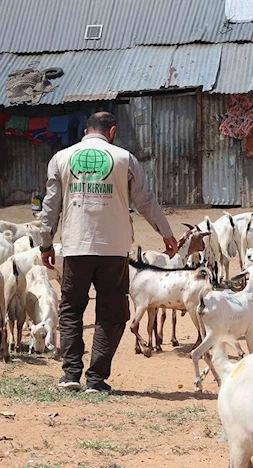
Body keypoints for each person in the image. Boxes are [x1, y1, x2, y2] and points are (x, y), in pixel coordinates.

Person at [40, 111, 177, 394]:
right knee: (112, 313)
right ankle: (96, 379)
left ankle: (70, 374)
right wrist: (166, 233)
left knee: (71, 309)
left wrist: (45, 243)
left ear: (85, 131)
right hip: (114, 249)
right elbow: (145, 201)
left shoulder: (61, 158)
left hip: (76, 246)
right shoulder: (125, 159)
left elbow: (50, 205)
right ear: (112, 132)